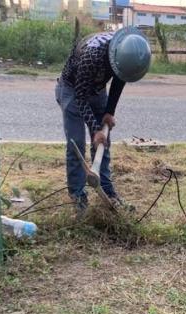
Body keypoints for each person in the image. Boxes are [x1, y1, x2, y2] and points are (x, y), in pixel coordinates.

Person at [56, 27, 151, 214]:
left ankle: (108, 191)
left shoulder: (124, 54)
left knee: (103, 142)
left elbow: (119, 79)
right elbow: (81, 98)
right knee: (77, 143)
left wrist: (109, 111)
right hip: (72, 90)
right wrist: (95, 128)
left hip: (97, 90)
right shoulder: (92, 55)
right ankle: (78, 195)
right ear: (114, 56)